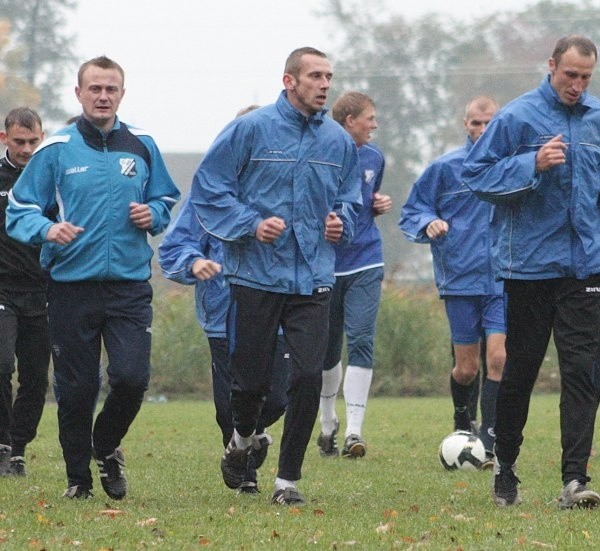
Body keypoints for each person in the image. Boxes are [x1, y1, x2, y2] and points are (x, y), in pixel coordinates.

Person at [190, 47, 362, 505]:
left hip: (314, 278)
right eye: (315, 76)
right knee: (247, 383)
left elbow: (351, 200)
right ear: (289, 81)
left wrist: (340, 220)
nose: (325, 84)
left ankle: (287, 481)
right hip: (256, 276)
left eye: (329, 76)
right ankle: (243, 438)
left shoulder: (339, 141)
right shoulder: (251, 129)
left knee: (308, 376)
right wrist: (250, 223)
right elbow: (209, 188)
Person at [6, 56, 180, 500]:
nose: (103, 96)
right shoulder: (55, 150)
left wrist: (153, 213)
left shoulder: (142, 145)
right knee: (76, 389)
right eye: (95, 89)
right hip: (70, 287)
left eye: (111, 89)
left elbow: (165, 197)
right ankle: (77, 480)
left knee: (131, 378)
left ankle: (105, 446)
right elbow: (20, 209)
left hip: (128, 285)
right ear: (79, 93)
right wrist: (47, 229)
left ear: (122, 93)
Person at [462, 35, 600, 509]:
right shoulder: (519, 116)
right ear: (551, 67)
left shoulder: (597, 119)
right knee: (520, 370)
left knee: (583, 370)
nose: (578, 85)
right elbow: (475, 176)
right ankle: (506, 469)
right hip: (529, 266)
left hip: (585, 266)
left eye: (586, 77)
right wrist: (530, 164)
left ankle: (575, 480)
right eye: (570, 75)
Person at [158, 192, 290, 494]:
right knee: (227, 407)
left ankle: (252, 432)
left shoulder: (286, 184)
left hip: (276, 310)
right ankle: (246, 474)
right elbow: (175, 246)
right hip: (222, 313)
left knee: (277, 400)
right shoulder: (209, 192)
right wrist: (193, 262)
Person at [399, 96, 504, 466]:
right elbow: (413, 209)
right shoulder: (445, 168)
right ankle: (463, 420)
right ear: (466, 124)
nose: (483, 130)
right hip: (460, 279)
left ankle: (491, 444)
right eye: (476, 123)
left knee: (499, 359)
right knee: (467, 368)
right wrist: (429, 222)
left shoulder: (512, 167)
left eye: (490, 123)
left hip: (503, 279)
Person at [316, 92, 392, 459]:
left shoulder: (375, 157)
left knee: (361, 339)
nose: (375, 124)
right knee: (327, 348)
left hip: (366, 260)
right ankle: (328, 422)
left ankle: (354, 432)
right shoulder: (321, 152)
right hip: (325, 264)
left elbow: (366, 199)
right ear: (349, 120)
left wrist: (378, 205)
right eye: (370, 118)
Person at [0, 107, 49, 477]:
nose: (27, 149)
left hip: (43, 290)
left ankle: (19, 446)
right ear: (5, 139)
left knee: (35, 378)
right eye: (20, 142)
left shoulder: (51, 177)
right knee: (2, 365)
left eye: (34, 141)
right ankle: (2, 442)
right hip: (3, 288)